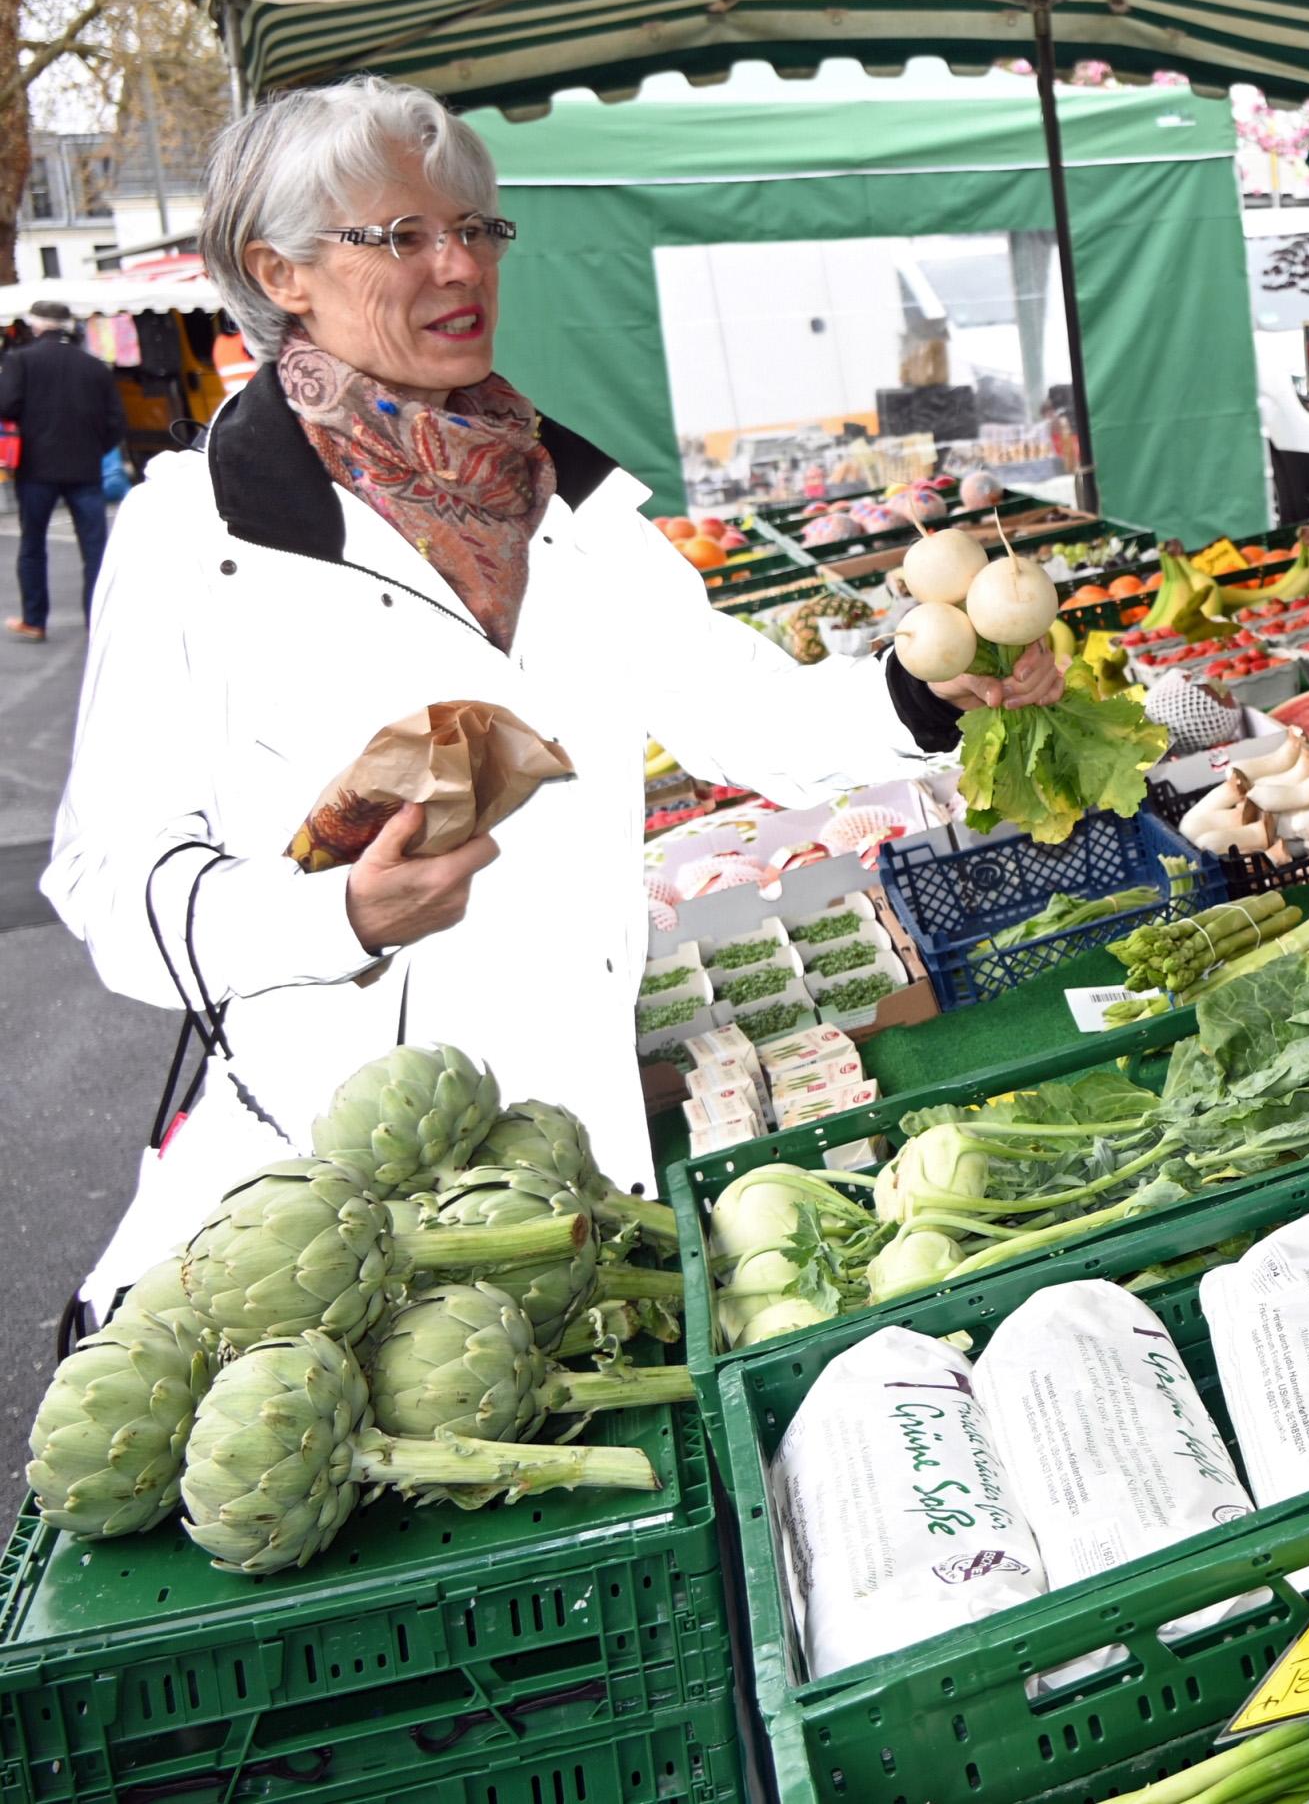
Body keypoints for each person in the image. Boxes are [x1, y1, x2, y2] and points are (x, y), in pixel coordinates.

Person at [45, 76, 1060, 1309]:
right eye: (401, 236)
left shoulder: (564, 498)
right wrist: (336, 918)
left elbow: (737, 711)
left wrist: (920, 689)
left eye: (475, 227)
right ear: (283, 271)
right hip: (337, 1189)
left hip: (576, 1144)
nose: (458, 263)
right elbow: (109, 883)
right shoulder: (195, 534)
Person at [2, 298, 130, 641]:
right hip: (85, 467)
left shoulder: (20, 360)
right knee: (94, 549)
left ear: (35, 324)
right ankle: (98, 622)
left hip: (36, 469)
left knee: (33, 545)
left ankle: (35, 619)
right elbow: (116, 422)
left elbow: (6, 405)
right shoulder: (95, 365)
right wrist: (94, 448)